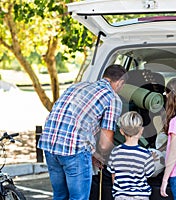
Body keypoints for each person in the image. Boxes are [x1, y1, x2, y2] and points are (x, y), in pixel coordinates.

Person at [37, 64, 127, 200]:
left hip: (49, 145)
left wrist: (92, 154)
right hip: (73, 151)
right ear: (120, 82)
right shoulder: (112, 98)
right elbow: (104, 144)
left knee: (60, 195)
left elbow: (74, 124)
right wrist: (110, 157)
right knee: (78, 198)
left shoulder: (77, 86)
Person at [107, 111, 155, 200]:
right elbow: (149, 174)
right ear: (141, 130)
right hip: (141, 196)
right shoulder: (145, 154)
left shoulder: (115, 152)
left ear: (121, 131)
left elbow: (113, 175)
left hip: (121, 196)